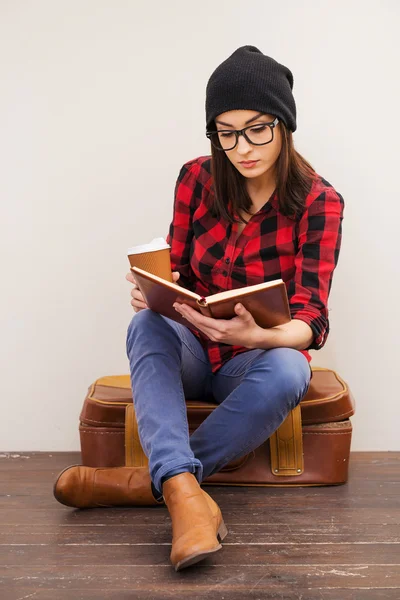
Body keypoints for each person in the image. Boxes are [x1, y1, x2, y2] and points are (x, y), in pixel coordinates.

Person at [53, 45, 344, 571]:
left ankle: (160, 482)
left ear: (284, 124)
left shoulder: (320, 202)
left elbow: (311, 320)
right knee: (146, 321)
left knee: (287, 370)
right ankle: (184, 490)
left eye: (257, 129)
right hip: (191, 352)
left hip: (249, 365)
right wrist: (157, 288)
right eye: (226, 132)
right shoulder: (196, 178)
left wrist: (260, 338)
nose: (243, 147)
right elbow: (180, 270)